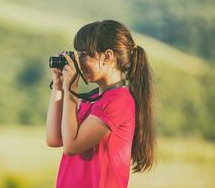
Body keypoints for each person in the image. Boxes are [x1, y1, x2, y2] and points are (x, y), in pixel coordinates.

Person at [46, 20, 156, 188]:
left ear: (107, 57)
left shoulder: (118, 101)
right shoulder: (92, 99)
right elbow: (54, 139)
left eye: (83, 54)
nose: (78, 62)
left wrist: (70, 91)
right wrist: (59, 86)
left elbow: (71, 146)